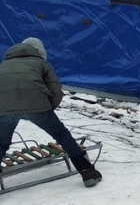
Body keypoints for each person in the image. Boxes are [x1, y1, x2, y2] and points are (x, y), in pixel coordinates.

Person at [0, 37, 102, 187]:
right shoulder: (41, 63)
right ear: (40, 52)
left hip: (5, 108)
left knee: (1, 143)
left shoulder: (4, 65)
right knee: (61, 134)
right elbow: (55, 90)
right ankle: (87, 172)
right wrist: (48, 109)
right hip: (37, 106)